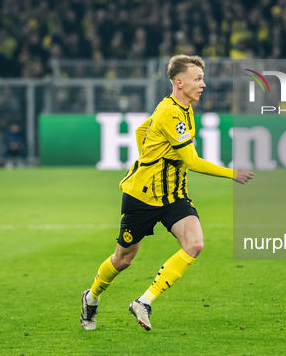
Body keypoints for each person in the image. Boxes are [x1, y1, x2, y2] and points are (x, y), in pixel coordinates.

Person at [80, 54, 254, 331]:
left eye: (202, 78)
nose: (203, 84)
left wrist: (149, 156)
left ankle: (144, 301)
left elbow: (141, 130)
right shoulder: (170, 113)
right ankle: (91, 297)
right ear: (179, 82)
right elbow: (193, 161)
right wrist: (232, 173)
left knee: (195, 244)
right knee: (123, 259)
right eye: (198, 79)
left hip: (173, 195)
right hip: (142, 197)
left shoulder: (182, 107)